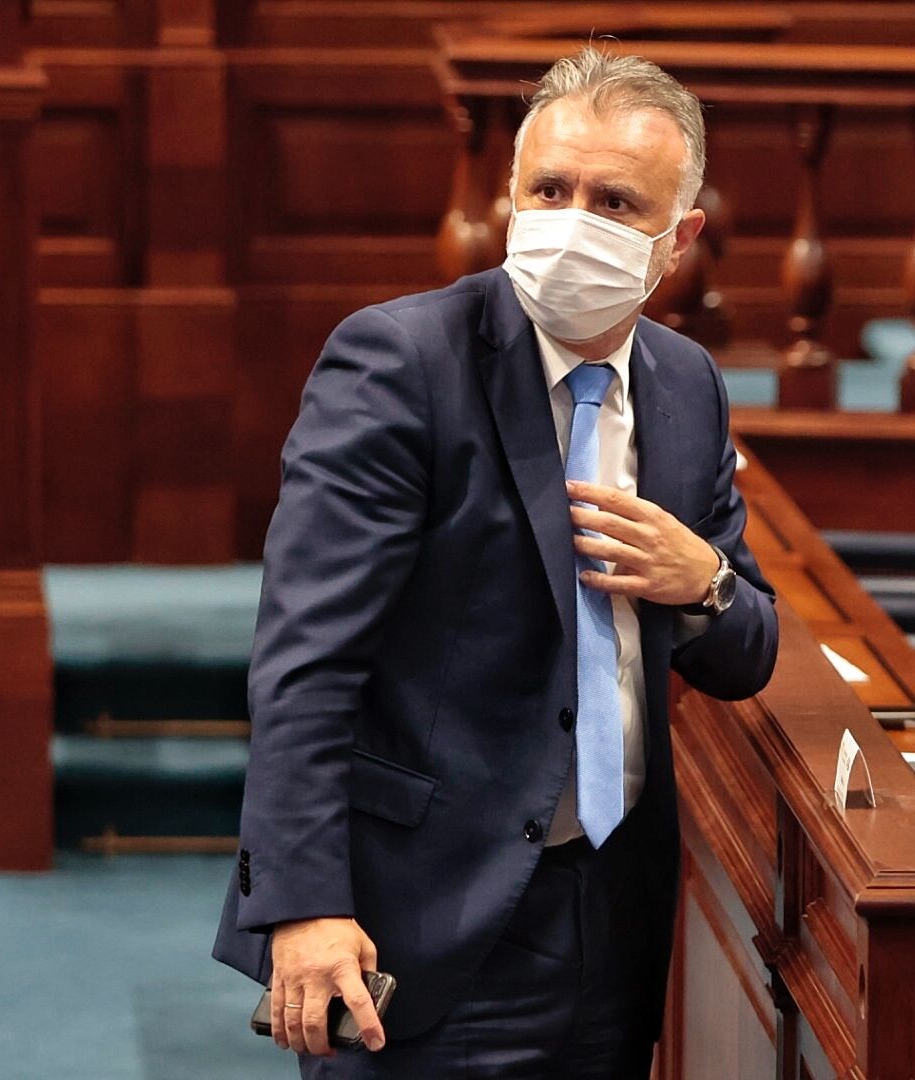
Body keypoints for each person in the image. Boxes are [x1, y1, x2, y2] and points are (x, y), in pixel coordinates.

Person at [211, 46, 780, 1078]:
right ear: (509, 198)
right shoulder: (400, 363)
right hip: (421, 913)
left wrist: (705, 579)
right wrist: (303, 905)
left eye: (615, 201)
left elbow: (744, 655)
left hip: (610, 911)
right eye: (549, 190)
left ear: (680, 238)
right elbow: (305, 661)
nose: (571, 221)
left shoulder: (687, 386)